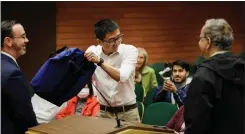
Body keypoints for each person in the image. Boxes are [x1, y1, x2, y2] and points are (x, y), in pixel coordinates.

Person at [184, 19, 244, 134]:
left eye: (200, 38)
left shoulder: (204, 74)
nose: (198, 42)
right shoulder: (242, 66)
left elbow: (196, 122)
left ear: (208, 42)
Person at [84, 19, 140, 122]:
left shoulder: (130, 50)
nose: (117, 42)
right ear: (100, 42)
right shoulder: (93, 51)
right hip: (104, 112)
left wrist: (100, 62)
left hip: (128, 113)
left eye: (119, 37)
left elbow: (121, 76)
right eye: (111, 40)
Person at [1, 20, 38, 134]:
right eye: (23, 37)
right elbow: (24, 115)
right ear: (8, 41)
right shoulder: (13, 74)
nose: (27, 40)